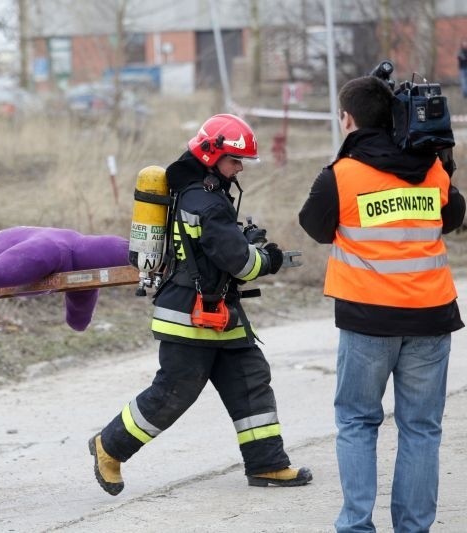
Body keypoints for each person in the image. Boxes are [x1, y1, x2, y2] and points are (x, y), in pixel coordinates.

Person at [89, 114, 313, 496]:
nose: (240, 167)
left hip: (219, 310)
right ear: (211, 155)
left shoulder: (202, 193)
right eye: (234, 160)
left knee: (249, 382)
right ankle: (109, 447)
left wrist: (241, 242)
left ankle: (268, 464)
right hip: (188, 315)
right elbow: (239, 262)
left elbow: (215, 251)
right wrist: (267, 258)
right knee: (174, 392)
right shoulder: (205, 202)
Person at [299, 76, 465, 532]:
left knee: (356, 422)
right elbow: (453, 217)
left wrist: (342, 159)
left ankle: (356, 525)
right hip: (432, 318)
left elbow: (313, 225)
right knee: (421, 428)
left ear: (347, 119)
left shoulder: (343, 175)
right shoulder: (431, 170)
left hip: (368, 321)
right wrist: (442, 163)